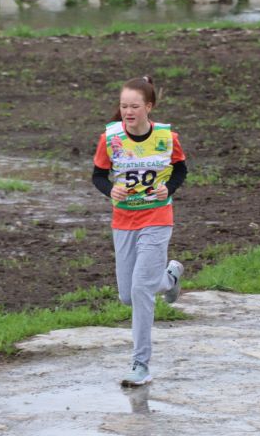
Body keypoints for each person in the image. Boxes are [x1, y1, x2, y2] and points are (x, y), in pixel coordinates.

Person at [92, 75, 188, 387]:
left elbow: (181, 169)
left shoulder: (166, 137)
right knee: (127, 295)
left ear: (148, 107)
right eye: (123, 106)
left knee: (140, 290)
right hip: (124, 221)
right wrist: (111, 191)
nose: (128, 111)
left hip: (158, 218)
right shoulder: (110, 138)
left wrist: (168, 188)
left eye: (134, 106)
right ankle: (170, 277)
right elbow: (98, 175)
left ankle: (140, 365)